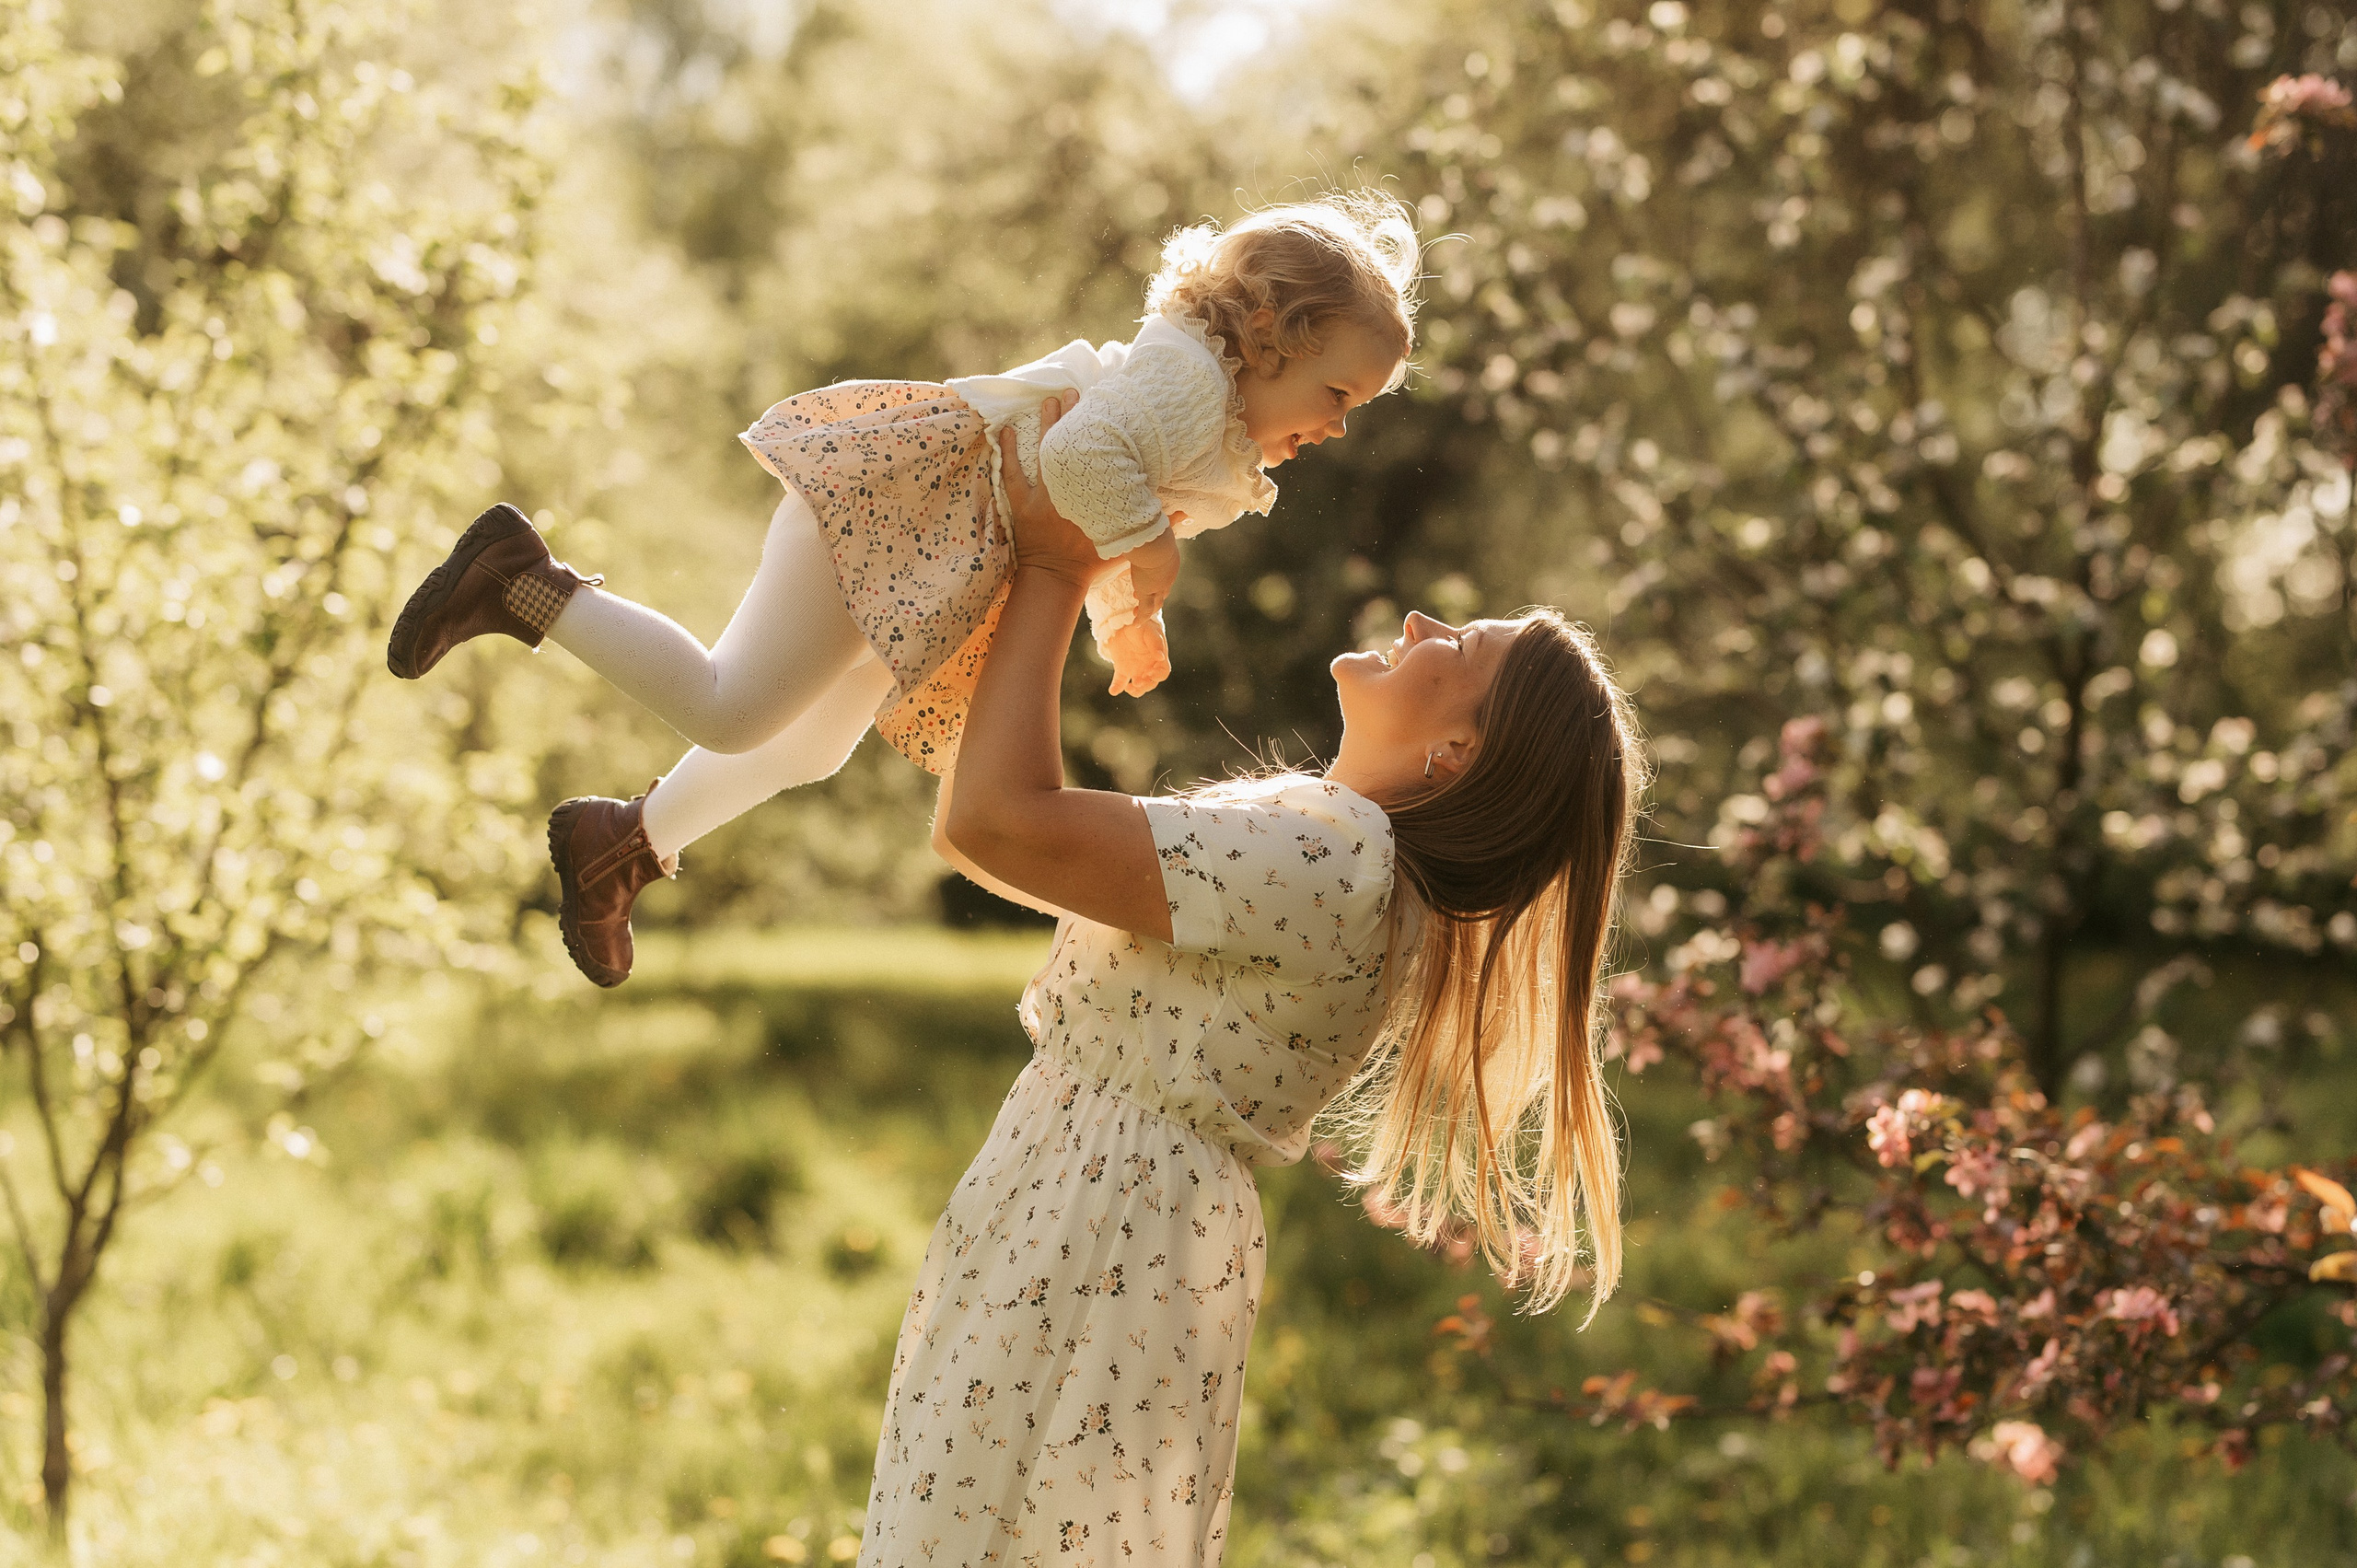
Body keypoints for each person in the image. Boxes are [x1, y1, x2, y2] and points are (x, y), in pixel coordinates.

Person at [857, 403, 1647, 1565]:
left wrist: (1054, 564)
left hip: (1100, 1216)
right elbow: (991, 836)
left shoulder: (1335, 857)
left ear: (1458, 754)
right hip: (1091, 1197)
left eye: (1458, 648)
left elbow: (991, 822)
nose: (1423, 620)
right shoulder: (1345, 861)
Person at [383, 192, 1420, 987]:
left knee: (809, 740)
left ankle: (620, 843)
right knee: (732, 704)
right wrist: (1153, 558)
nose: (1336, 424)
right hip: (897, 517)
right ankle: (519, 582)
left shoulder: (1205, 417)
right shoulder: (1189, 377)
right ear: (1271, 328)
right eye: (1336, 393)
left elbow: (1093, 505)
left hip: (928, 551)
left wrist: (1127, 612)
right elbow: (1088, 463)